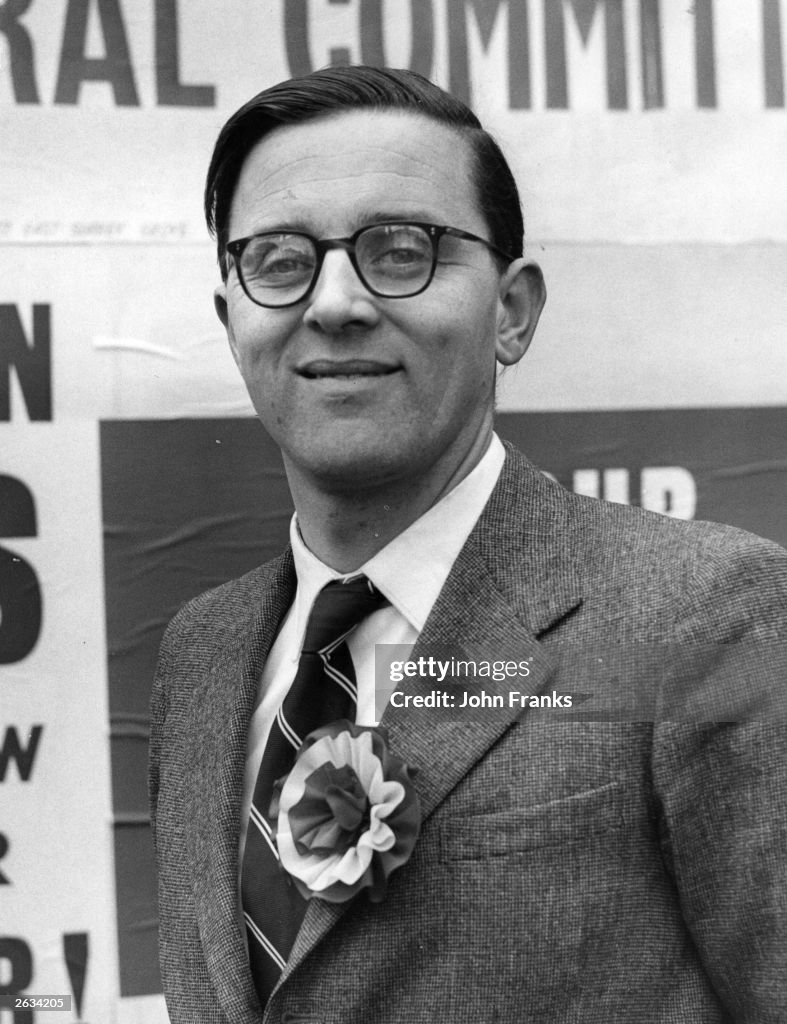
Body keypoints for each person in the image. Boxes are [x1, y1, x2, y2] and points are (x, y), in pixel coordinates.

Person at [148, 65, 787, 1024]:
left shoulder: (694, 618)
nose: (333, 303)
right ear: (231, 317)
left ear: (513, 312)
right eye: (279, 260)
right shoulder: (200, 657)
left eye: (400, 251)